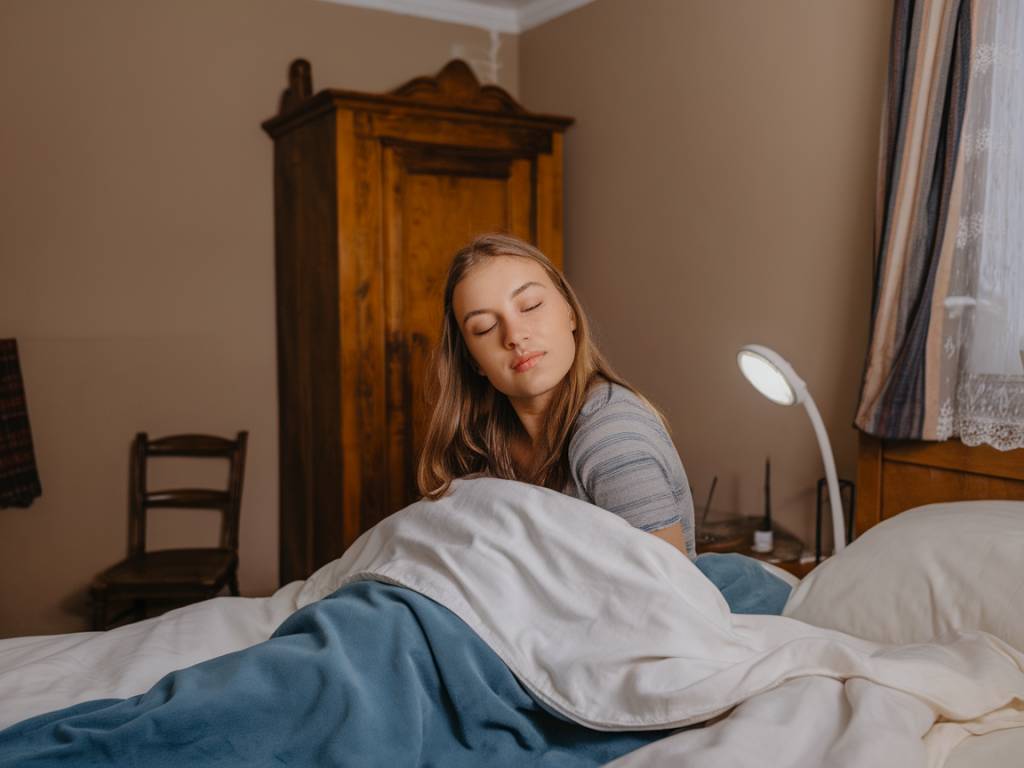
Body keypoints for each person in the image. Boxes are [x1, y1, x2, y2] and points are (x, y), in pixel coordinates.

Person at [417, 233, 695, 558]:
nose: (515, 336)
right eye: (484, 328)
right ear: (473, 361)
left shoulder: (613, 436)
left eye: (531, 306)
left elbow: (670, 597)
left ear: (570, 313)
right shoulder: (479, 444)